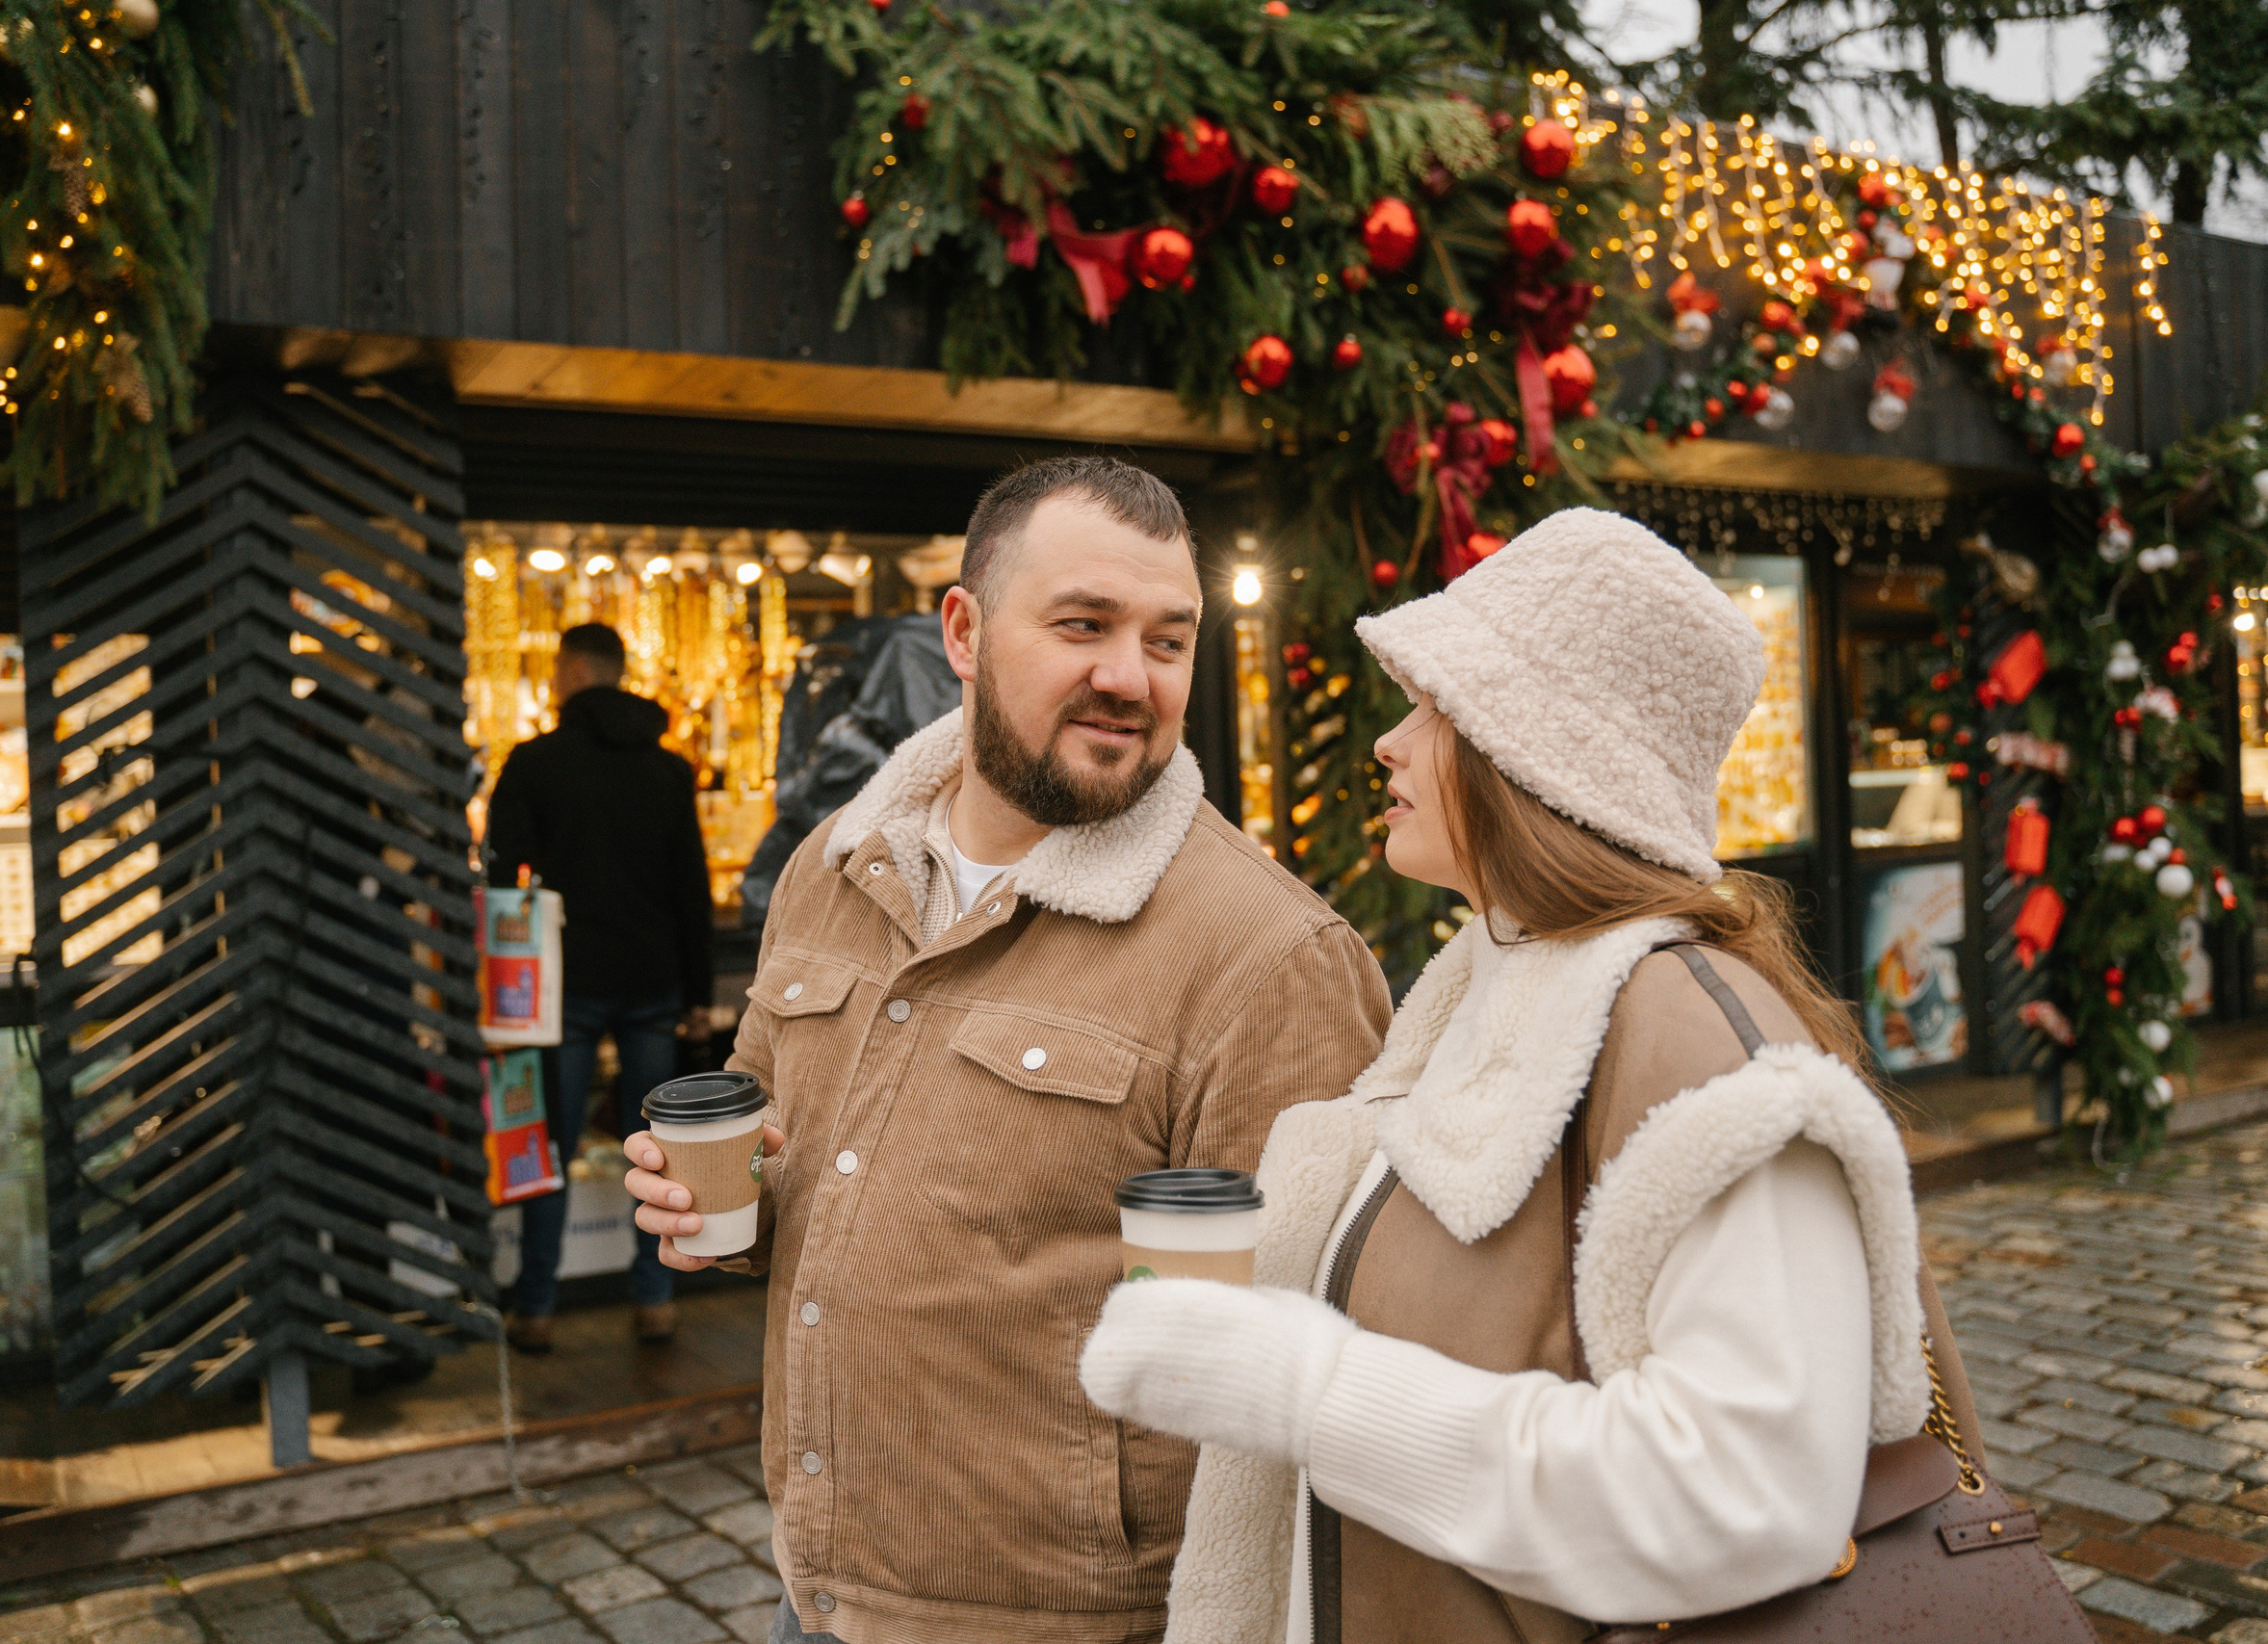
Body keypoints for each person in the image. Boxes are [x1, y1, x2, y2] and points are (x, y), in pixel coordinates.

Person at [1080, 509, 1982, 1643]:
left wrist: (1303, 1387)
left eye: (1433, 710)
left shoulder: (1693, 1041)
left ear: (1533, 757)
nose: (1388, 745)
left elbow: (1744, 1502)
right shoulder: (1498, 985)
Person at [622, 456, 1391, 1644]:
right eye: (1083, 626)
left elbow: (1299, 1383)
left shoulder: (1272, 956)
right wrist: (717, 1211)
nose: (1129, 677)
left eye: (1168, 640)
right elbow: (790, 1179)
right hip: (813, 1591)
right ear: (966, 631)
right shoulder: (836, 866)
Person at [486, 621, 716, 1352]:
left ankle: (538, 1308)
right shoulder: (668, 770)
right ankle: (656, 1302)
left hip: (569, 984)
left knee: (550, 1145)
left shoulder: (537, 762)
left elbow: (501, 869)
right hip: (651, 980)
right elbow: (692, 891)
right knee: (653, 1149)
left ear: (573, 671)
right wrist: (698, 995)